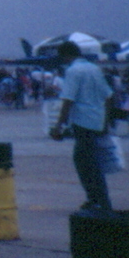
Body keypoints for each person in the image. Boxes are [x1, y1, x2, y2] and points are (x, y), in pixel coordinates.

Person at [51, 41, 113, 213]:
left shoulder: (73, 71)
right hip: (97, 121)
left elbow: (68, 99)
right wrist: (106, 122)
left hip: (82, 122)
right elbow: (108, 96)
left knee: (85, 163)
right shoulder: (94, 68)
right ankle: (98, 199)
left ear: (65, 55)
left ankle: (98, 200)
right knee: (92, 161)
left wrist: (58, 125)